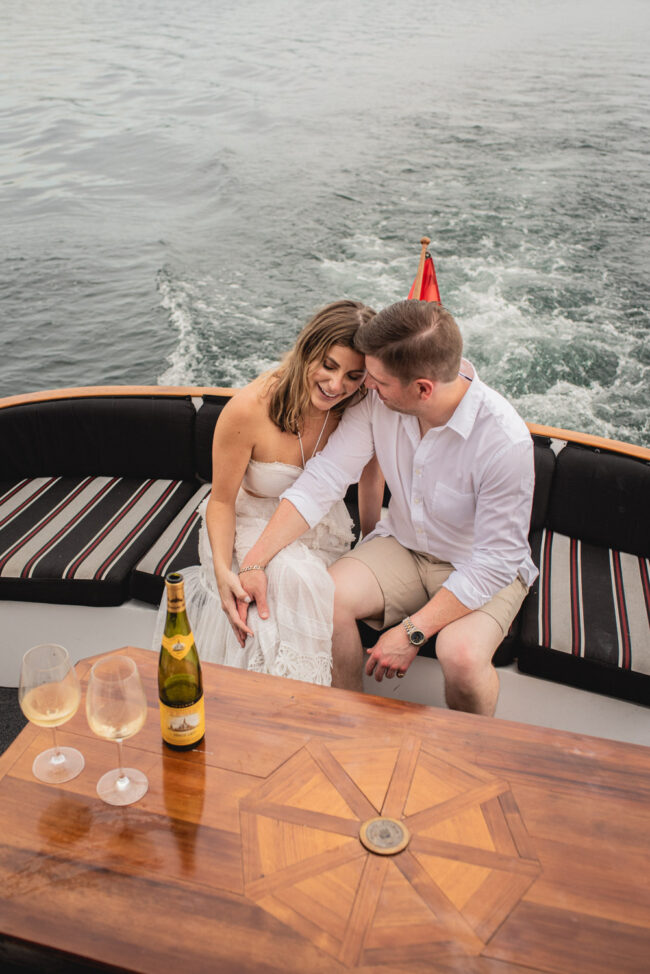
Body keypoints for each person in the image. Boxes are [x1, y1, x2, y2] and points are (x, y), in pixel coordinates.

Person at [233, 300, 538, 716]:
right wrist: (253, 563)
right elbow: (325, 478)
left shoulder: (505, 443)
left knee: (461, 656)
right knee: (327, 595)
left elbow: (497, 559)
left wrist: (413, 631)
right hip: (406, 546)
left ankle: (470, 755)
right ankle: (351, 721)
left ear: (423, 389)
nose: (364, 387)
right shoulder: (379, 401)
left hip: (481, 566)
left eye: (377, 380)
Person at [153, 299, 379, 685]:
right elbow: (221, 502)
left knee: (307, 582)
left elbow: (374, 475)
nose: (337, 385)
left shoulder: (359, 405)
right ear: (307, 348)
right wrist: (225, 571)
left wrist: (372, 543)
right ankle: (299, 704)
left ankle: (335, 709)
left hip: (321, 527)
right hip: (248, 522)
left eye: (354, 375)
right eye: (328, 365)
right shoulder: (249, 410)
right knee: (293, 578)